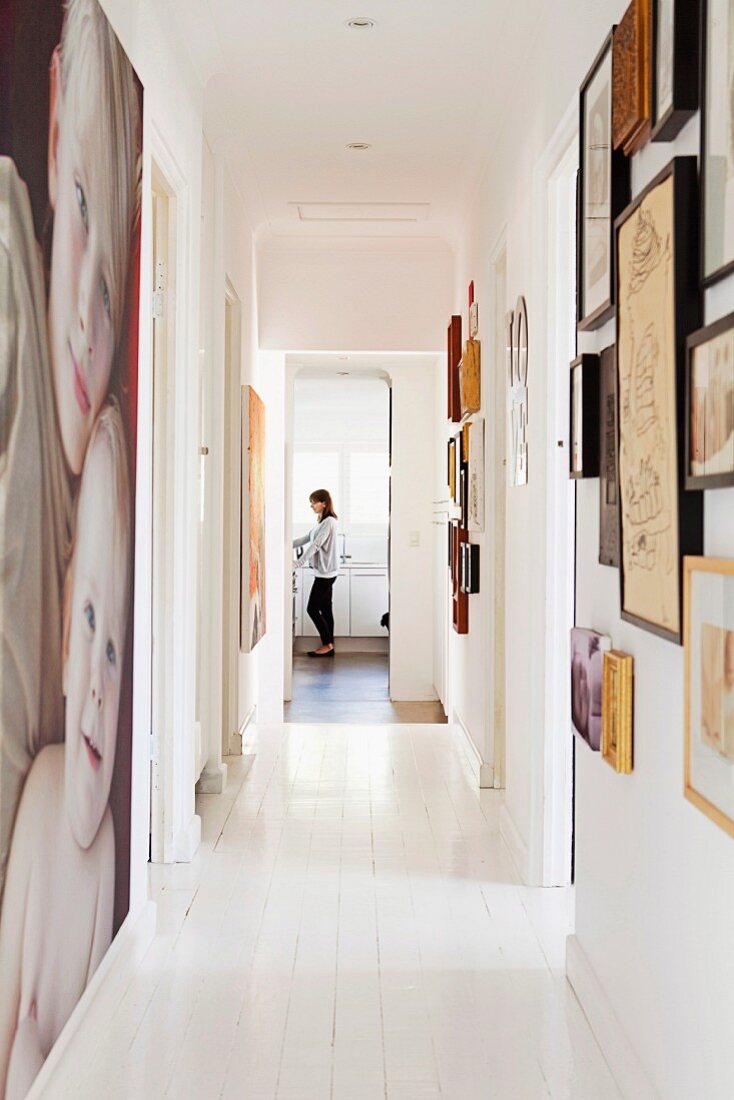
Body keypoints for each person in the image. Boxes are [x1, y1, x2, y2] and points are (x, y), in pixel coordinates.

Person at [0, 0, 140, 898]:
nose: (90, 318)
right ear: (52, 131)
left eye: (114, 279)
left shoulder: (96, 492)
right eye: (82, 206)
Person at [0, 403, 132, 1100]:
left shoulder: (108, 838)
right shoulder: (46, 786)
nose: (100, 694)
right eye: (88, 621)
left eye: (115, 648)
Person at [293, 490, 339, 657]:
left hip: (325, 573)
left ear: (324, 503)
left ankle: (327, 644)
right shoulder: (322, 522)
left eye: (314, 502)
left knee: (312, 608)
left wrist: (298, 562)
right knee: (326, 609)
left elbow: (316, 545)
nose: (311, 505)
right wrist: (284, 545)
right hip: (325, 572)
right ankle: (329, 645)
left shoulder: (329, 522)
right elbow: (306, 539)